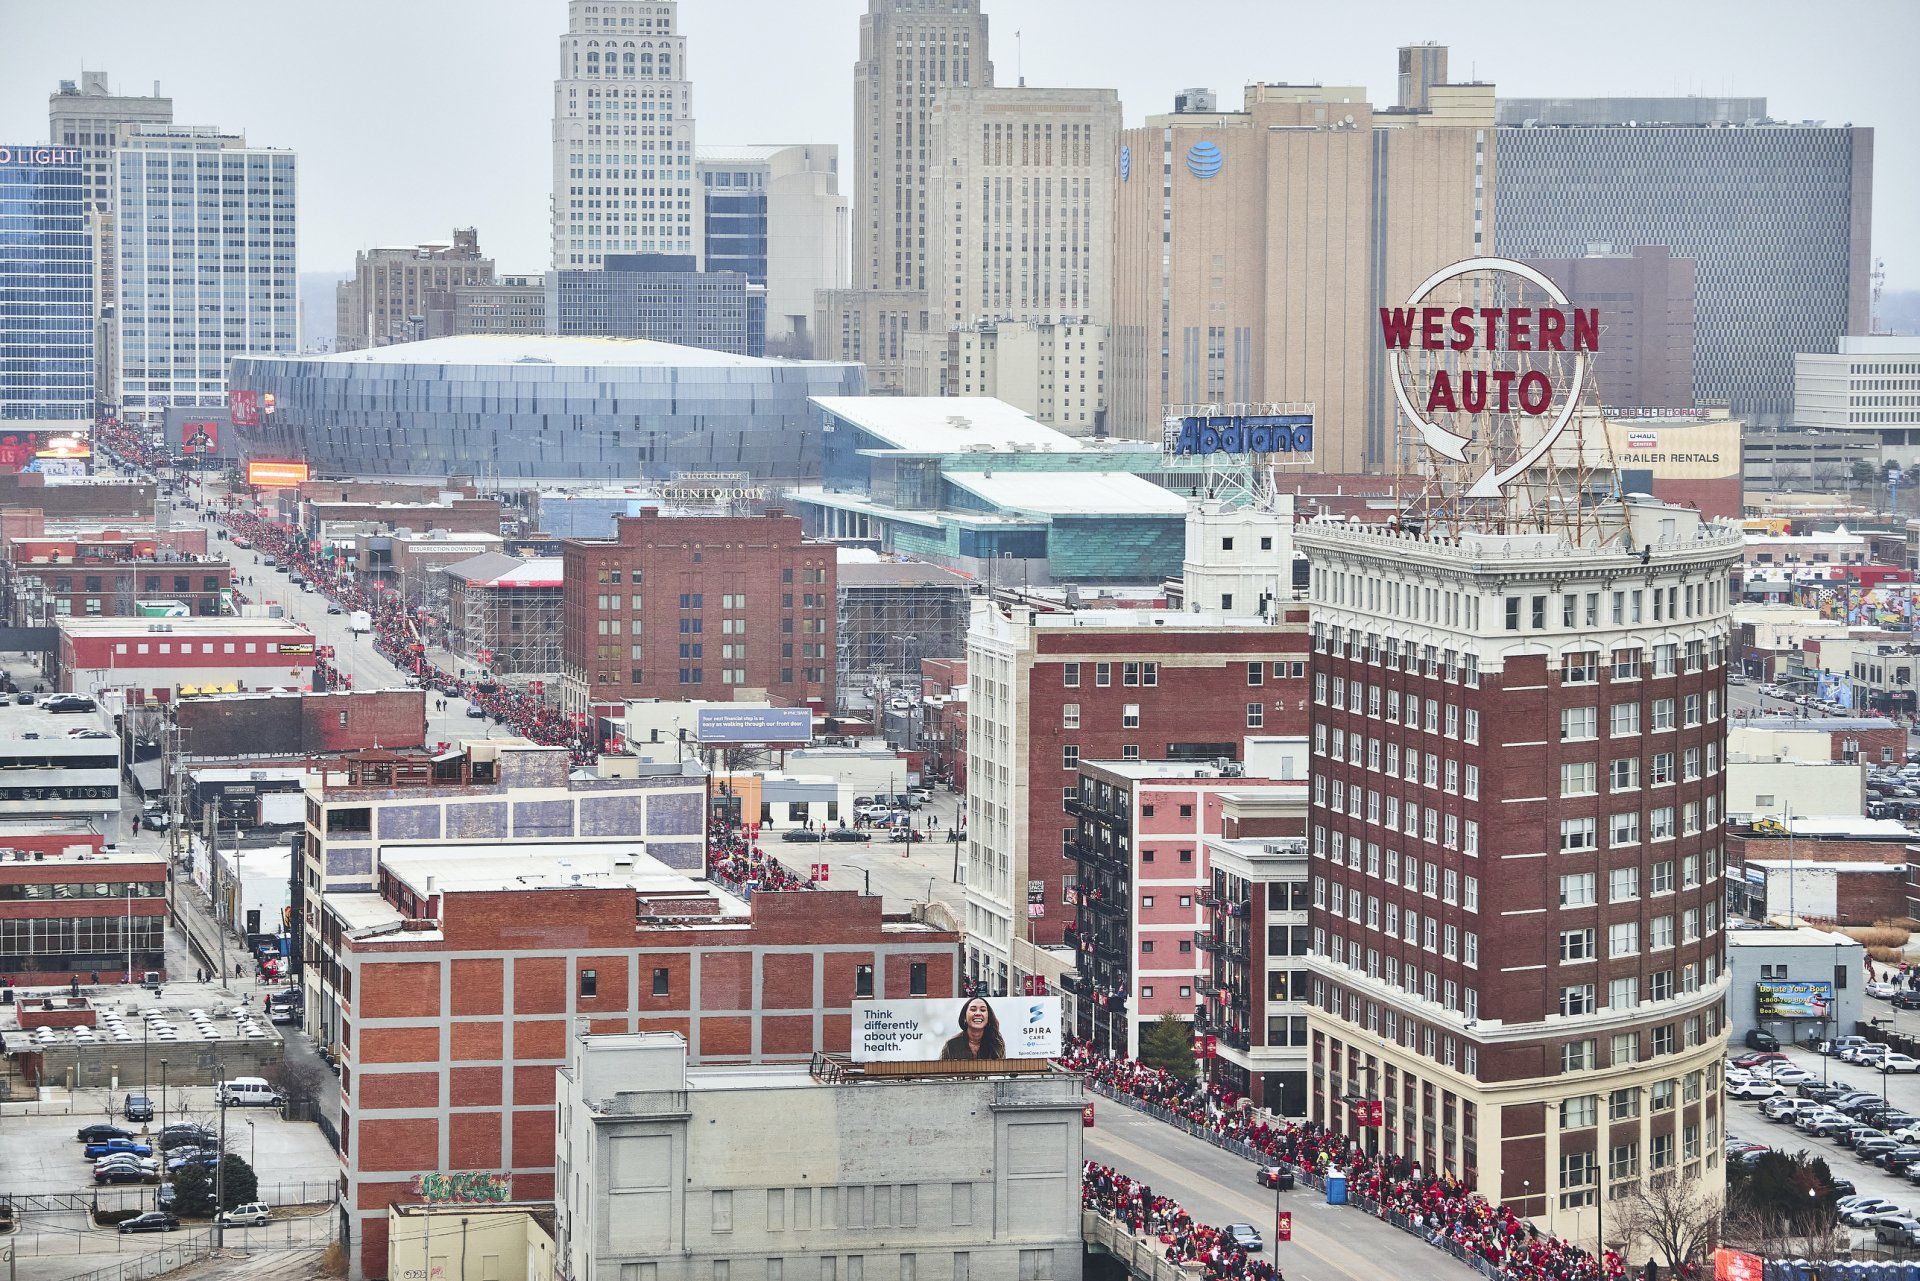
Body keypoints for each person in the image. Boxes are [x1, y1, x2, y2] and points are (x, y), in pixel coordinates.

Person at [941, 996, 1006, 1060]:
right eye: (973, 1009)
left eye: (983, 1010)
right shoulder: (951, 1046)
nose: (978, 1013)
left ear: (988, 1018)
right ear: (964, 1017)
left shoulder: (996, 1044)